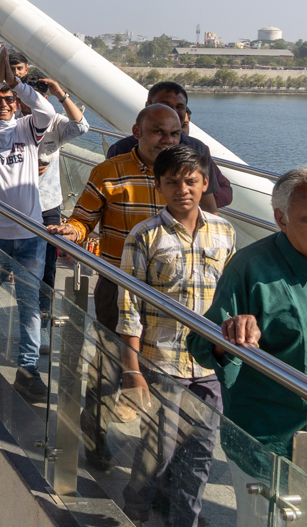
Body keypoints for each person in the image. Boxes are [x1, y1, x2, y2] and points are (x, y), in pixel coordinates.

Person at [48, 103, 183, 470]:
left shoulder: (184, 174)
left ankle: (159, 466)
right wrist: (70, 232)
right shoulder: (110, 171)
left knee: (167, 374)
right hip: (118, 288)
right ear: (137, 133)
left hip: (171, 293)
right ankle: (94, 439)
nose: (166, 140)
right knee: (108, 366)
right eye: (158, 132)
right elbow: (83, 219)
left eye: (173, 133)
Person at [187, 168, 307, 525]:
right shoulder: (251, 269)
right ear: (280, 218)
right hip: (270, 443)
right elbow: (200, 342)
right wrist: (228, 335)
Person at [116, 145, 234, 527]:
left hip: (209, 367)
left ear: (204, 184)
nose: (182, 189)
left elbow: (233, 296)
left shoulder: (224, 232)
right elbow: (129, 307)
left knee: (200, 452)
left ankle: (185, 519)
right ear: (159, 187)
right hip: (162, 363)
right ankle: (134, 507)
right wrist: (132, 370)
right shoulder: (144, 236)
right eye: (172, 182)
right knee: (159, 450)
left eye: (191, 181)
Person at [0, 47, 56, 400]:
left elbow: (46, 110)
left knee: (29, 305)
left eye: (9, 100)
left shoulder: (27, 129)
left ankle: (28, 369)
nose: (3, 103)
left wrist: (16, 84)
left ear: (17, 103)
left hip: (31, 235)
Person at [105, 82, 232, 211]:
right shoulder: (121, 150)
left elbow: (209, 203)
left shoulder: (198, 149)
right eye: (165, 105)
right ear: (147, 107)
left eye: (179, 107)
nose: (172, 112)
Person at [30, 76, 89, 341]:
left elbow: (82, 126)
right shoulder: (11, 123)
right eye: (31, 98)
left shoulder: (56, 123)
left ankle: (42, 316)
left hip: (48, 203)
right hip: (15, 204)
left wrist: (60, 93)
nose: (37, 103)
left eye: (42, 97)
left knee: (48, 265)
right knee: (14, 260)